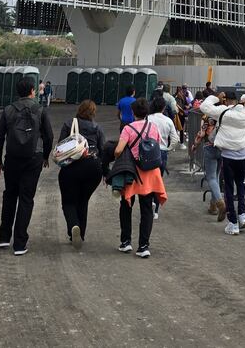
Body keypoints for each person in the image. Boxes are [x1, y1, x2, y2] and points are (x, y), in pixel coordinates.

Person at [0, 77, 54, 256]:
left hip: (12, 159)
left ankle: (4, 237)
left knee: (9, 196)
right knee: (26, 199)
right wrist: (45, 156)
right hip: (33, 159)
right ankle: (20, 243)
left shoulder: (9, 110)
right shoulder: (40, 110)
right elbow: (49, 137)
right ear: (33, 91)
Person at [113, 98, 167, 257]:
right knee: (146, 209)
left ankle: (126, 242)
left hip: (131, 171)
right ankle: (143, 246)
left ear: (133, 112)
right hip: (150, 173)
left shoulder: (128, 129)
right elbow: (155, 145)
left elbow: (118, 150)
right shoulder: (153, 127)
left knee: (126, 206)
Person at [200, 91, 245, 235]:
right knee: (241, 185)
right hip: (242, 156)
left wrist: (215, 98)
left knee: (228, 189)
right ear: (237, 100)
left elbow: (204, 106)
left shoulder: (222, 112)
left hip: (228, 156)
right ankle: (242, 214)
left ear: (226, 101)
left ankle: (233, 223)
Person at [57, 100, 106, 249]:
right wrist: (104, 171)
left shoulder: (68, 124)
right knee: (83, 200)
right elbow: (103, 150)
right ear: (93, 113)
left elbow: (60, 145)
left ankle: (73, 226)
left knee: (69, 201)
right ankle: (81, 234)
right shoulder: (97, 128)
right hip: (93, 167)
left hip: (72, 167)